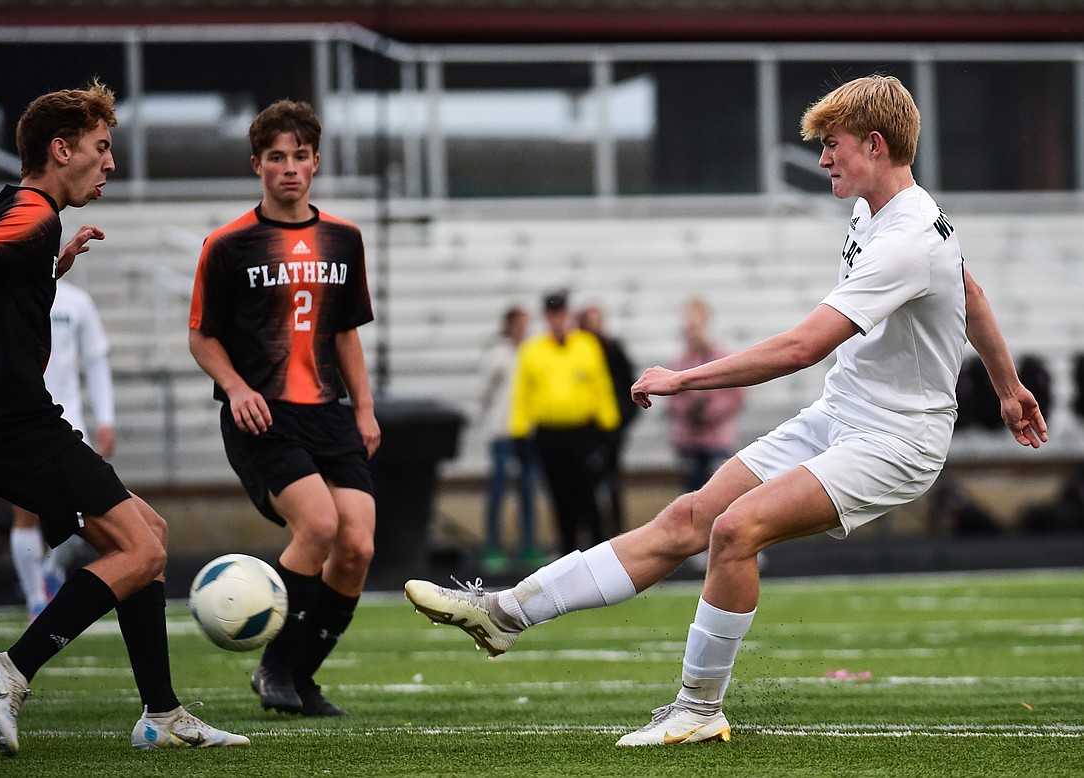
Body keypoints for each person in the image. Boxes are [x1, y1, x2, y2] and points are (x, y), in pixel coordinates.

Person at [403, 74, 1047, 747]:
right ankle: (504, 613)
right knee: (687, 518)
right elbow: (969, 290)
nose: (823, 159)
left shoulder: (908, 235)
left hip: (896, 440)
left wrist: (685, 379)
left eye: (832, 146)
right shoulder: (880, 213)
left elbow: (801, 347)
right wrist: (1006, 387)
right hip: (842, 416)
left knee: (736, 531)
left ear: (876, 145)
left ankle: (698, 706)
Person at [0, 79, 247, 756]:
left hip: (6, 421)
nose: (111, 163)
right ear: (60, 149)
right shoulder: (32, 213)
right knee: (145, 548)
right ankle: (10, 670)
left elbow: (1, 282)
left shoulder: (31, 218)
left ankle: (161, 715)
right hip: (11, 423)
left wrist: (51, 271)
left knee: (146, 536)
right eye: (101, 148)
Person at [188, 99, 380, 718]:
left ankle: (300, 674)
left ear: (316, 162)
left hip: (329, 410)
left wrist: (366, 409)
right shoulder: (227, 245)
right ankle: (274, 666)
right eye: (277, 157)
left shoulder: (344, 239)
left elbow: (347, 331)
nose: (289, 167)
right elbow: (201, 335)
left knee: (357, 547)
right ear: (257, 165)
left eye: (300, 155)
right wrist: (237, 387)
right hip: (262, 415)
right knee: (320, 527)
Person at [10, 278, 115, 621]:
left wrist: (105, 419)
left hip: (68, 423)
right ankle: (35, 601)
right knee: (24, 512)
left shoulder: (76, 301)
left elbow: (96, 361)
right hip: (19, 421)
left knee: (80, 512)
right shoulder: (5, 296)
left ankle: (51, 571)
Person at [508, 289, 621, 554]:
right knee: (560, 495)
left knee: (588, 493)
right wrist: (518, 432)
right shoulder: (533, 350)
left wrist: (609, 426)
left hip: (582, 432)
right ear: (546, 317)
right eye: (552, 313)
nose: (557, 319)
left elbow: (600, 386)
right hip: (549, 433)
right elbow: (522, 393)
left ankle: (595, 552)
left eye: (560, 313)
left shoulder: (586, 345)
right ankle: (567, 552)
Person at [477, 304, 542, 573]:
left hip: (526, 430)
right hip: (502, 430)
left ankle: (529, 544)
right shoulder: (498, 353)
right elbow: (487, 390)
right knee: (499, 488)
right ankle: (493, 546)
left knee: (528, 488)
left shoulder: (533, 351)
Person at [668, 299, 745, 493]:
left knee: (717, 494)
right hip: (688, 439)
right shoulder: (681, 359)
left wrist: (710, 411)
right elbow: (673, 400)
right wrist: (688, 409)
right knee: (690, 495)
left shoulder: (721, 356)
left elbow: (736, 395)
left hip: (716, 439)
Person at [576, 301, 639, 539]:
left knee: (611, 482)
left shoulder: (612, 349)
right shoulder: (578, 351)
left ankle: (616, 534)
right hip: (584, 432)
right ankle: (591, 536)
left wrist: (621, 421)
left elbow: (626, 386)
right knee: (585, 486)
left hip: (610, 431)